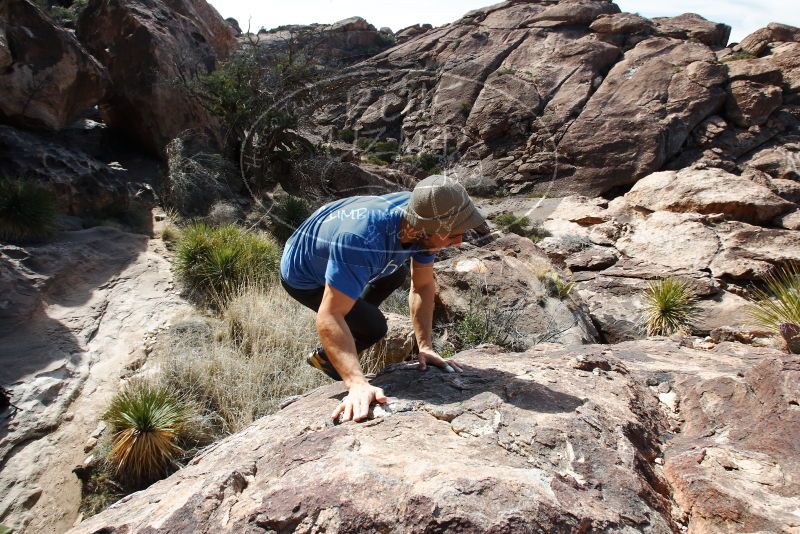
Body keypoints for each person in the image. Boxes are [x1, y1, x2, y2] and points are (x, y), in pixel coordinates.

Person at [279, 174, 486, 423]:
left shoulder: (424, 214)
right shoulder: (362, 241)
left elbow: (422, 285)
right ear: (425, 228)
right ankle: (328, 360)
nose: (459, 241)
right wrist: (357, 384)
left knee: (394, 274)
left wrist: (426, 346)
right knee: (373, 326)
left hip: (337, 238)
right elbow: (329, 315)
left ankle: (348, 324)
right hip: (303, 273)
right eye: (453, 234)